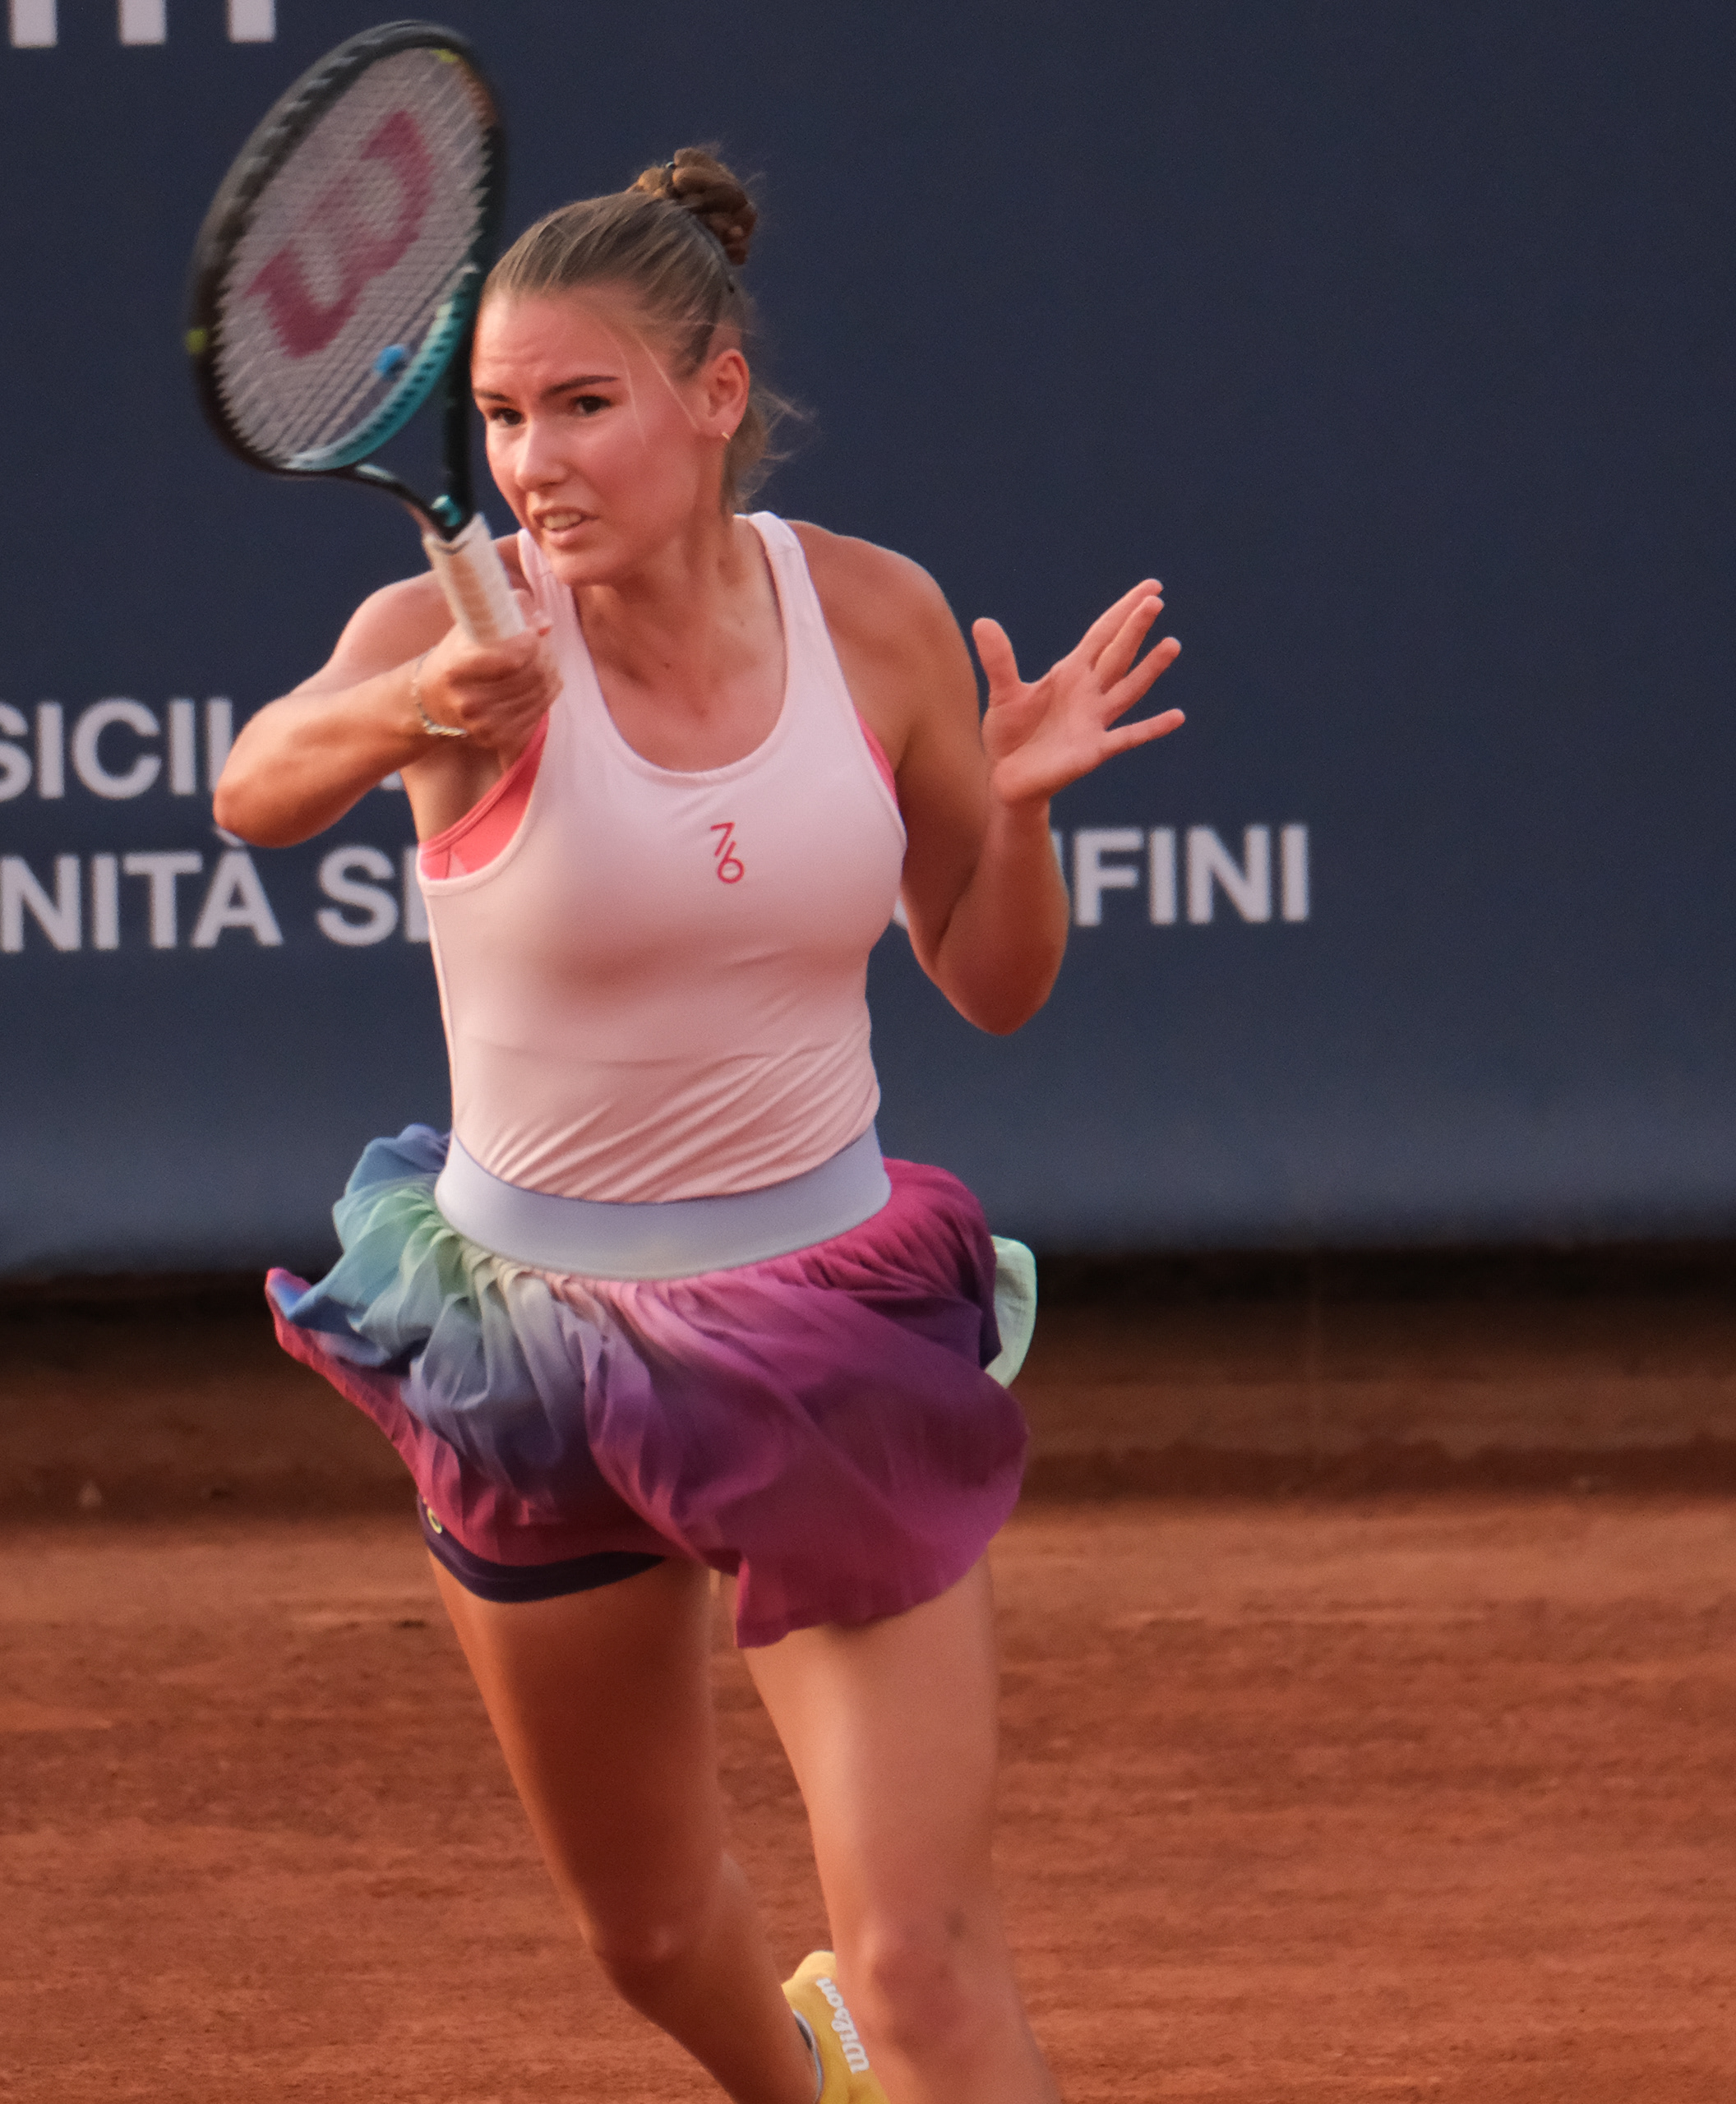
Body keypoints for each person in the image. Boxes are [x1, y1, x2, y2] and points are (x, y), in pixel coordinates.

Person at [215, 149, 1182, 2104]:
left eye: (586, 404)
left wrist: (1015, 812)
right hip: (523, 1344)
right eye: (499, 416)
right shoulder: (453, 631)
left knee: (917, 1947)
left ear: (715, 397)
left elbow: (990, 980)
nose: (534, 463)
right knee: (649, 1933)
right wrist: (405, 713)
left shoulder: (876, 619)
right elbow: (255, 789)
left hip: (821, 1327)